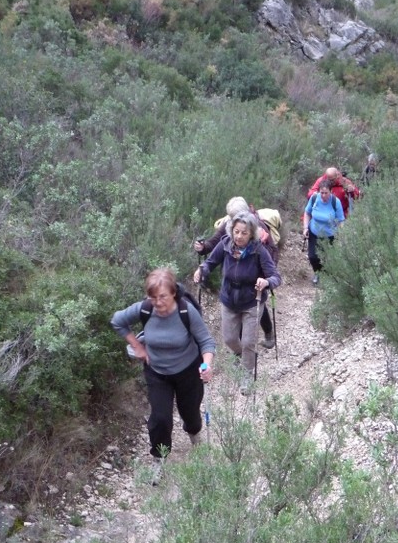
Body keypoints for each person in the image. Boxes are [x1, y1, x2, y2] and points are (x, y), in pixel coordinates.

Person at [111, 267, 215, 459]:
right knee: (160, 418)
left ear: (174, 293)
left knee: (191, 414)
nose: (158, 303)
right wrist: (138, 347)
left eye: (163, 297)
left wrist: (207, 364)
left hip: (188, 370)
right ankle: (159, 457)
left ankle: (193, 433)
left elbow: (206, 342)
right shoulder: (145, 308)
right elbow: (118, 321)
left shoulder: (186, 311)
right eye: (153, 297)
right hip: (157, 372)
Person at [193, 211, 281, 394]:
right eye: (237, 231)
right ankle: (244, 356)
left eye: (244, 233)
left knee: (249, 341)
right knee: (230, 339)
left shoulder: (259, 251)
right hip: (229, 300)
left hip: (251, 301)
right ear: (232, 230)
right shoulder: (225, 245)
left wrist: (266, 282)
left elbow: (275, 276)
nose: (239, 236)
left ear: (251, 234)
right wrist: (202, 270)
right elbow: (210, 263)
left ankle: (247, 376)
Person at [194, 196, 280, 349]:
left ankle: (266, 334)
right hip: (235, 272)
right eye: (231, 218)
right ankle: (241, 349)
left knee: (258, 305)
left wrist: (267, 277)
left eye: (234, 216)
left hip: (259, 270)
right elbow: (215, 243)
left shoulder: (257, 226)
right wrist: (203, 248)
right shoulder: (231, 224)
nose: (238, 234)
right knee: (239, 305)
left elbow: (271, 250)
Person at [303, 179, 345, 285]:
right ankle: (317, 273)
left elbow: (341, 220)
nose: (323, 195)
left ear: (331, 192)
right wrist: (305, 228)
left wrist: (341, 234)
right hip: (314, 232)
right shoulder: (314, 198)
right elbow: (307, 213)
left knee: (326, 257)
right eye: (322, 192)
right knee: (313, 256)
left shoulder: (336, 202)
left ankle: (325, 275)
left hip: (330, 235)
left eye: (326, 193)